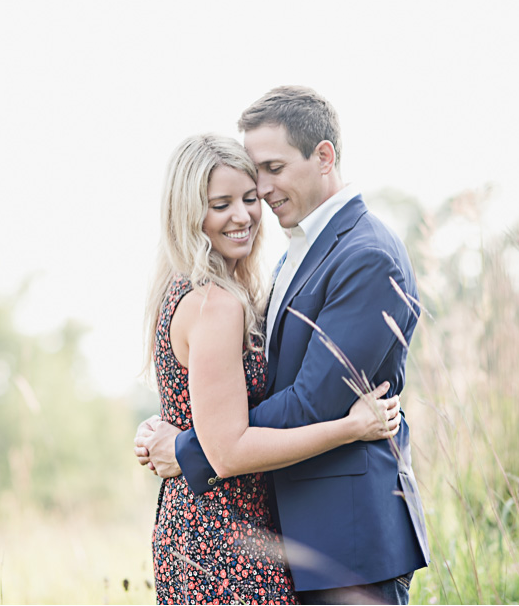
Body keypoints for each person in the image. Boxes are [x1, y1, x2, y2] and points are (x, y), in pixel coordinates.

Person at [137, 87, 429, 604]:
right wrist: (196, 434)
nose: (261, 195)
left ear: (323, 156)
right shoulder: (270, 267)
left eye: (270, 171)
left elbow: (310, 403)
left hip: (346, 541)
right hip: (247, 537)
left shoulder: (367, 256)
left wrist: (187, 448)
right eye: (251, 180)